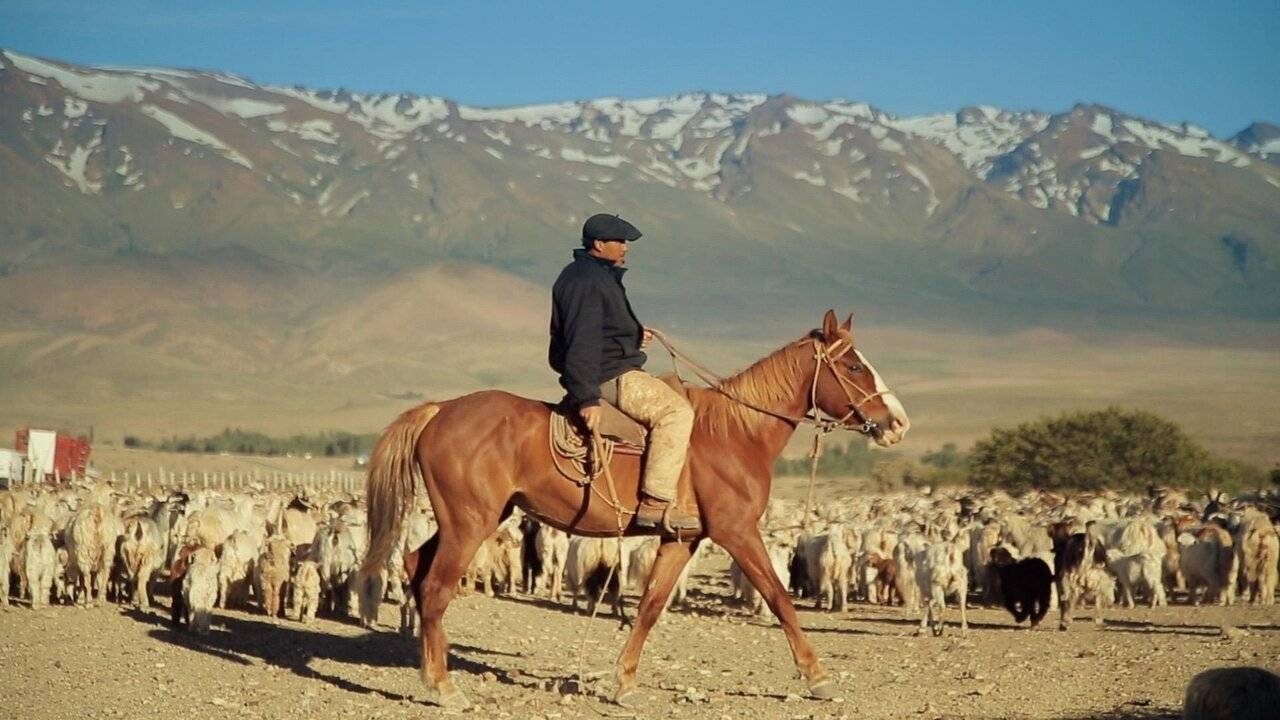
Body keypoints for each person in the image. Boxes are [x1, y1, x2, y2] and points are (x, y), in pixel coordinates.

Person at [549, 213, 701, 535]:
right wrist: (587, 398)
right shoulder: (587, 281)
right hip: (608, 376)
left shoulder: (596, 275)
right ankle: (655, 503)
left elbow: (601, 330)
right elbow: (581, 340)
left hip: (610, 366)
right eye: (620, 241)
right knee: (676, 412)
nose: (625, 247)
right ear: (598, 244)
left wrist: (632, 335)